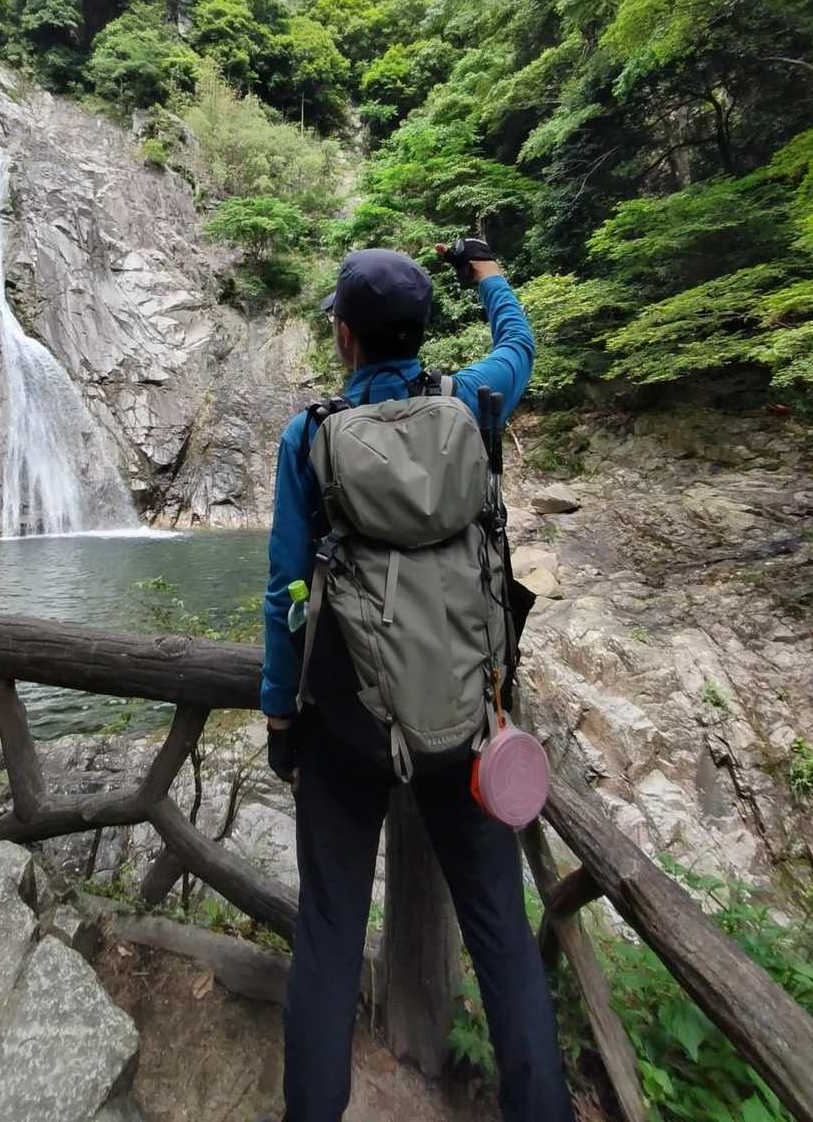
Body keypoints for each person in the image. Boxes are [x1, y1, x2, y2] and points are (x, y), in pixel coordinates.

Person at [261, 244, 574, 1122]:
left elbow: (287, 592)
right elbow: (520, 345)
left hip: (349, 729)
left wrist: (281, 720)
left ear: (346, 336)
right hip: (468, 721)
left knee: (329, 934)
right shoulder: (474, 402)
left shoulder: (310, 436)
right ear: (422, 330)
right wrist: (489, 273)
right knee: (503, 935)